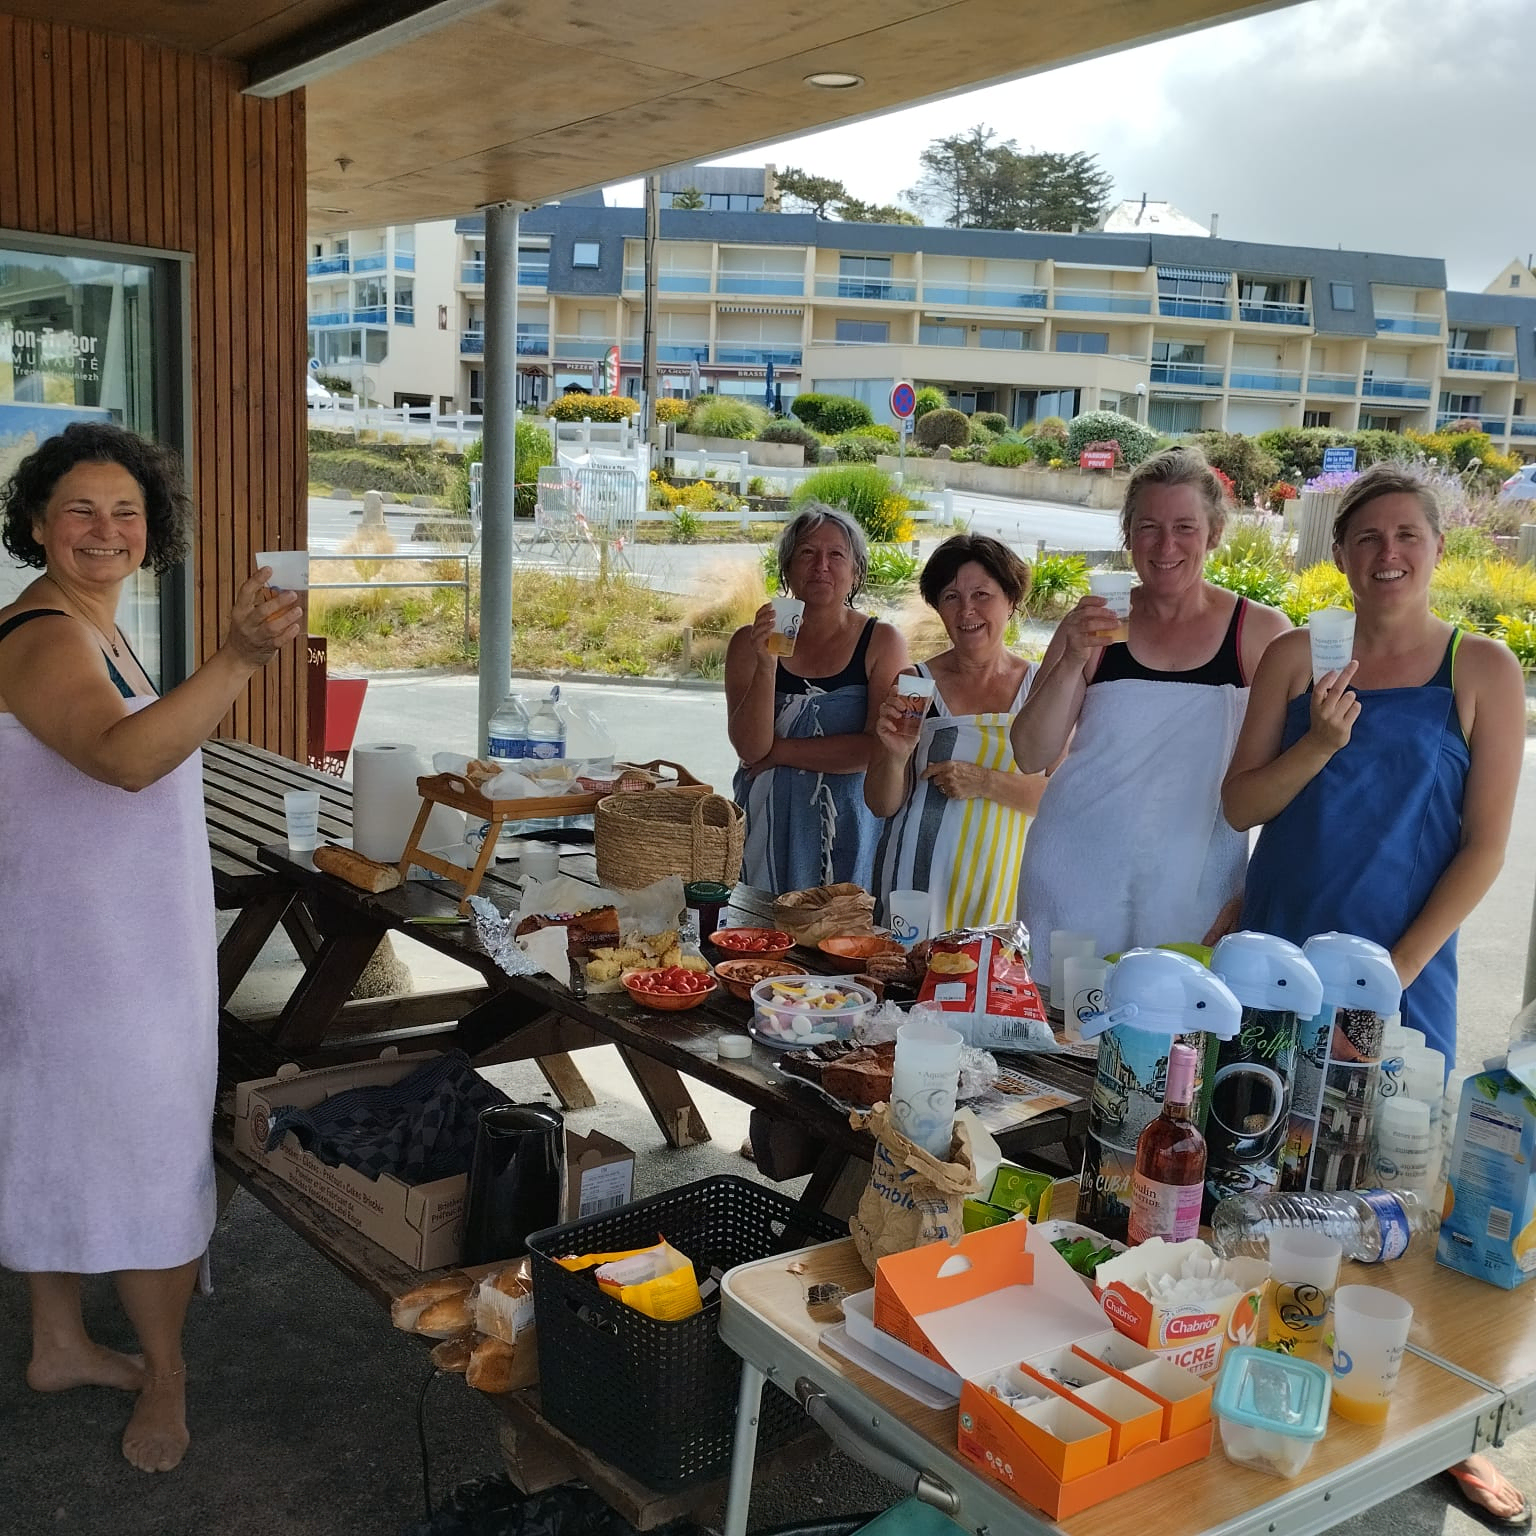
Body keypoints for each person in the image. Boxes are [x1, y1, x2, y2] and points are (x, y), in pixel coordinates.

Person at [1223, 468, 1527, 1531]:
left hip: (1404, 977)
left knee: (1387, 1198)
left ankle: (1427, 1422)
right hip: (1276, 969)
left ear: (1437, 548)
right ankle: (1261, 1373)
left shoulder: (1481, 668)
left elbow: (1485, 847)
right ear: (1340, 554)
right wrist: (1317, 742)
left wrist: (1396, 970)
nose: (1387, 554)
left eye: (1407, 536)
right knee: (1259, 1175)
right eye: (1366, 538)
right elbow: (1241, 804)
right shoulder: (1297, 657)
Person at [0, 423, 304, 1473]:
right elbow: (125, 759)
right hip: (104, 966)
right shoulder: (45, 633)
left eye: (126, 511)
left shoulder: (90, 624)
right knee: (148, 1160)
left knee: (52, 1140)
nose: (105, 529)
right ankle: (165, 1375)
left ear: (152, 527)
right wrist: (237, 659)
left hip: (80, 947)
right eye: (79, 510)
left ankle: (58, 1345)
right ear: (36, 522)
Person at [1012, 446, 1290, 986]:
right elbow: (1031, 753)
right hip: (1073, 875)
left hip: (1198, 888)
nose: (1166, 546)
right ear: (1128, 534)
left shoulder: (1259, 633)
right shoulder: (1092, 626)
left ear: (1214, 533)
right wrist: (1071, 658)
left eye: (1185, 527)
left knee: (1179, 1026)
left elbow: (1287, 782)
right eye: (1148, 528)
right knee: (1063, 1028)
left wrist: (1257, 887)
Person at [865, 534, 1047, 931]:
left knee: (994, 971)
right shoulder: (915, 683)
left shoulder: (1041, 687)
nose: (967, 610)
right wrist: (894, 755)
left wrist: (983, 781)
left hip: (1004, 885)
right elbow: (880, 804)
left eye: (982, 594)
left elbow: (1061, 799)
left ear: (1011, 600)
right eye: (951, 597)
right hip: (916, 883)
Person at [727, 503, 907, 892]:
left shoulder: (882, 641)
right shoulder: (749, 641)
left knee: (841, 924)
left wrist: (780, 752)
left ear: (856, 571)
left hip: (848, 827)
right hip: (766, 824)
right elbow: (750, 748)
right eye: (807, 553)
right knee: (760, 924)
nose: (821, 565)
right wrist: (766, 667)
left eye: (836, 555)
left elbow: (874, 749)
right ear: (787, 568)